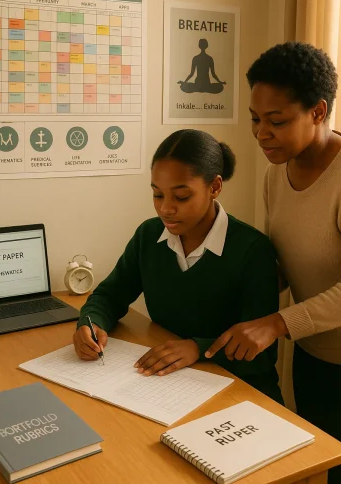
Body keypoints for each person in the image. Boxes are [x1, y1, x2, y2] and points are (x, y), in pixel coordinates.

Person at [205, 42, 341, 483]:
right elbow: (281, 263)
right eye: (255, 119)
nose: (261, 133)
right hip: (313, 353)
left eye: (276, 121)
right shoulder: (274, 173)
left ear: (318, 112)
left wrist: (277, 324)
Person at [73, 129, 283, 403]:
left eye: (181, 197)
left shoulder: (253, 251)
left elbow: (261, 353)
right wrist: (90, 323)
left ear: (215, 187)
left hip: (242, 392)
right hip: (171, 386)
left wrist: (198, 348)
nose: (166, 209)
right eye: (158, 195)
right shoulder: (148, 236)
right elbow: (110, 295)